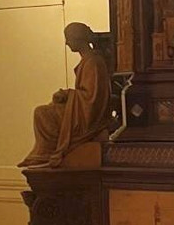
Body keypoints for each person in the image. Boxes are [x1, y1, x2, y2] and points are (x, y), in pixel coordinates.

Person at [19, 23, 111, 168]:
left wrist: (67, 94)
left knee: (42, 113)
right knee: (45, 111)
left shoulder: (93, 62)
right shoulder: (88, 60)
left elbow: (92, 98)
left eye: (68, 38)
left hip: (89, 117)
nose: (67, 43)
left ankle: (47, 152)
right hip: (81, 111)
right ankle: (45, 151)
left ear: (78, 39)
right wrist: (67, 96)